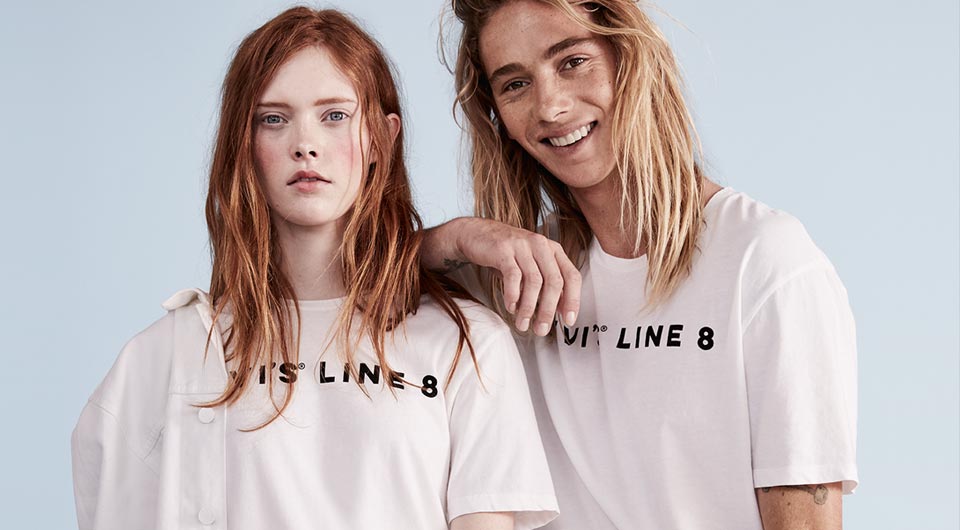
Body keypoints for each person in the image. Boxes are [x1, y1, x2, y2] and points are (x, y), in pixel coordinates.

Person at [71, 7, 558, 530]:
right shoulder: (162, 359)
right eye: (273, 119)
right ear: (243, 145)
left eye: (334, 116)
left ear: (381, 138)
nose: (305, 144)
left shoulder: (468, 344)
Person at [423, 0, 858, 528]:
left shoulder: (763, 260)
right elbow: (353, 278)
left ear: (627, 55)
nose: (550, 106)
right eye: (515, 84)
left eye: (572, 61)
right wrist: (462, 235)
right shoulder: (517, 277)